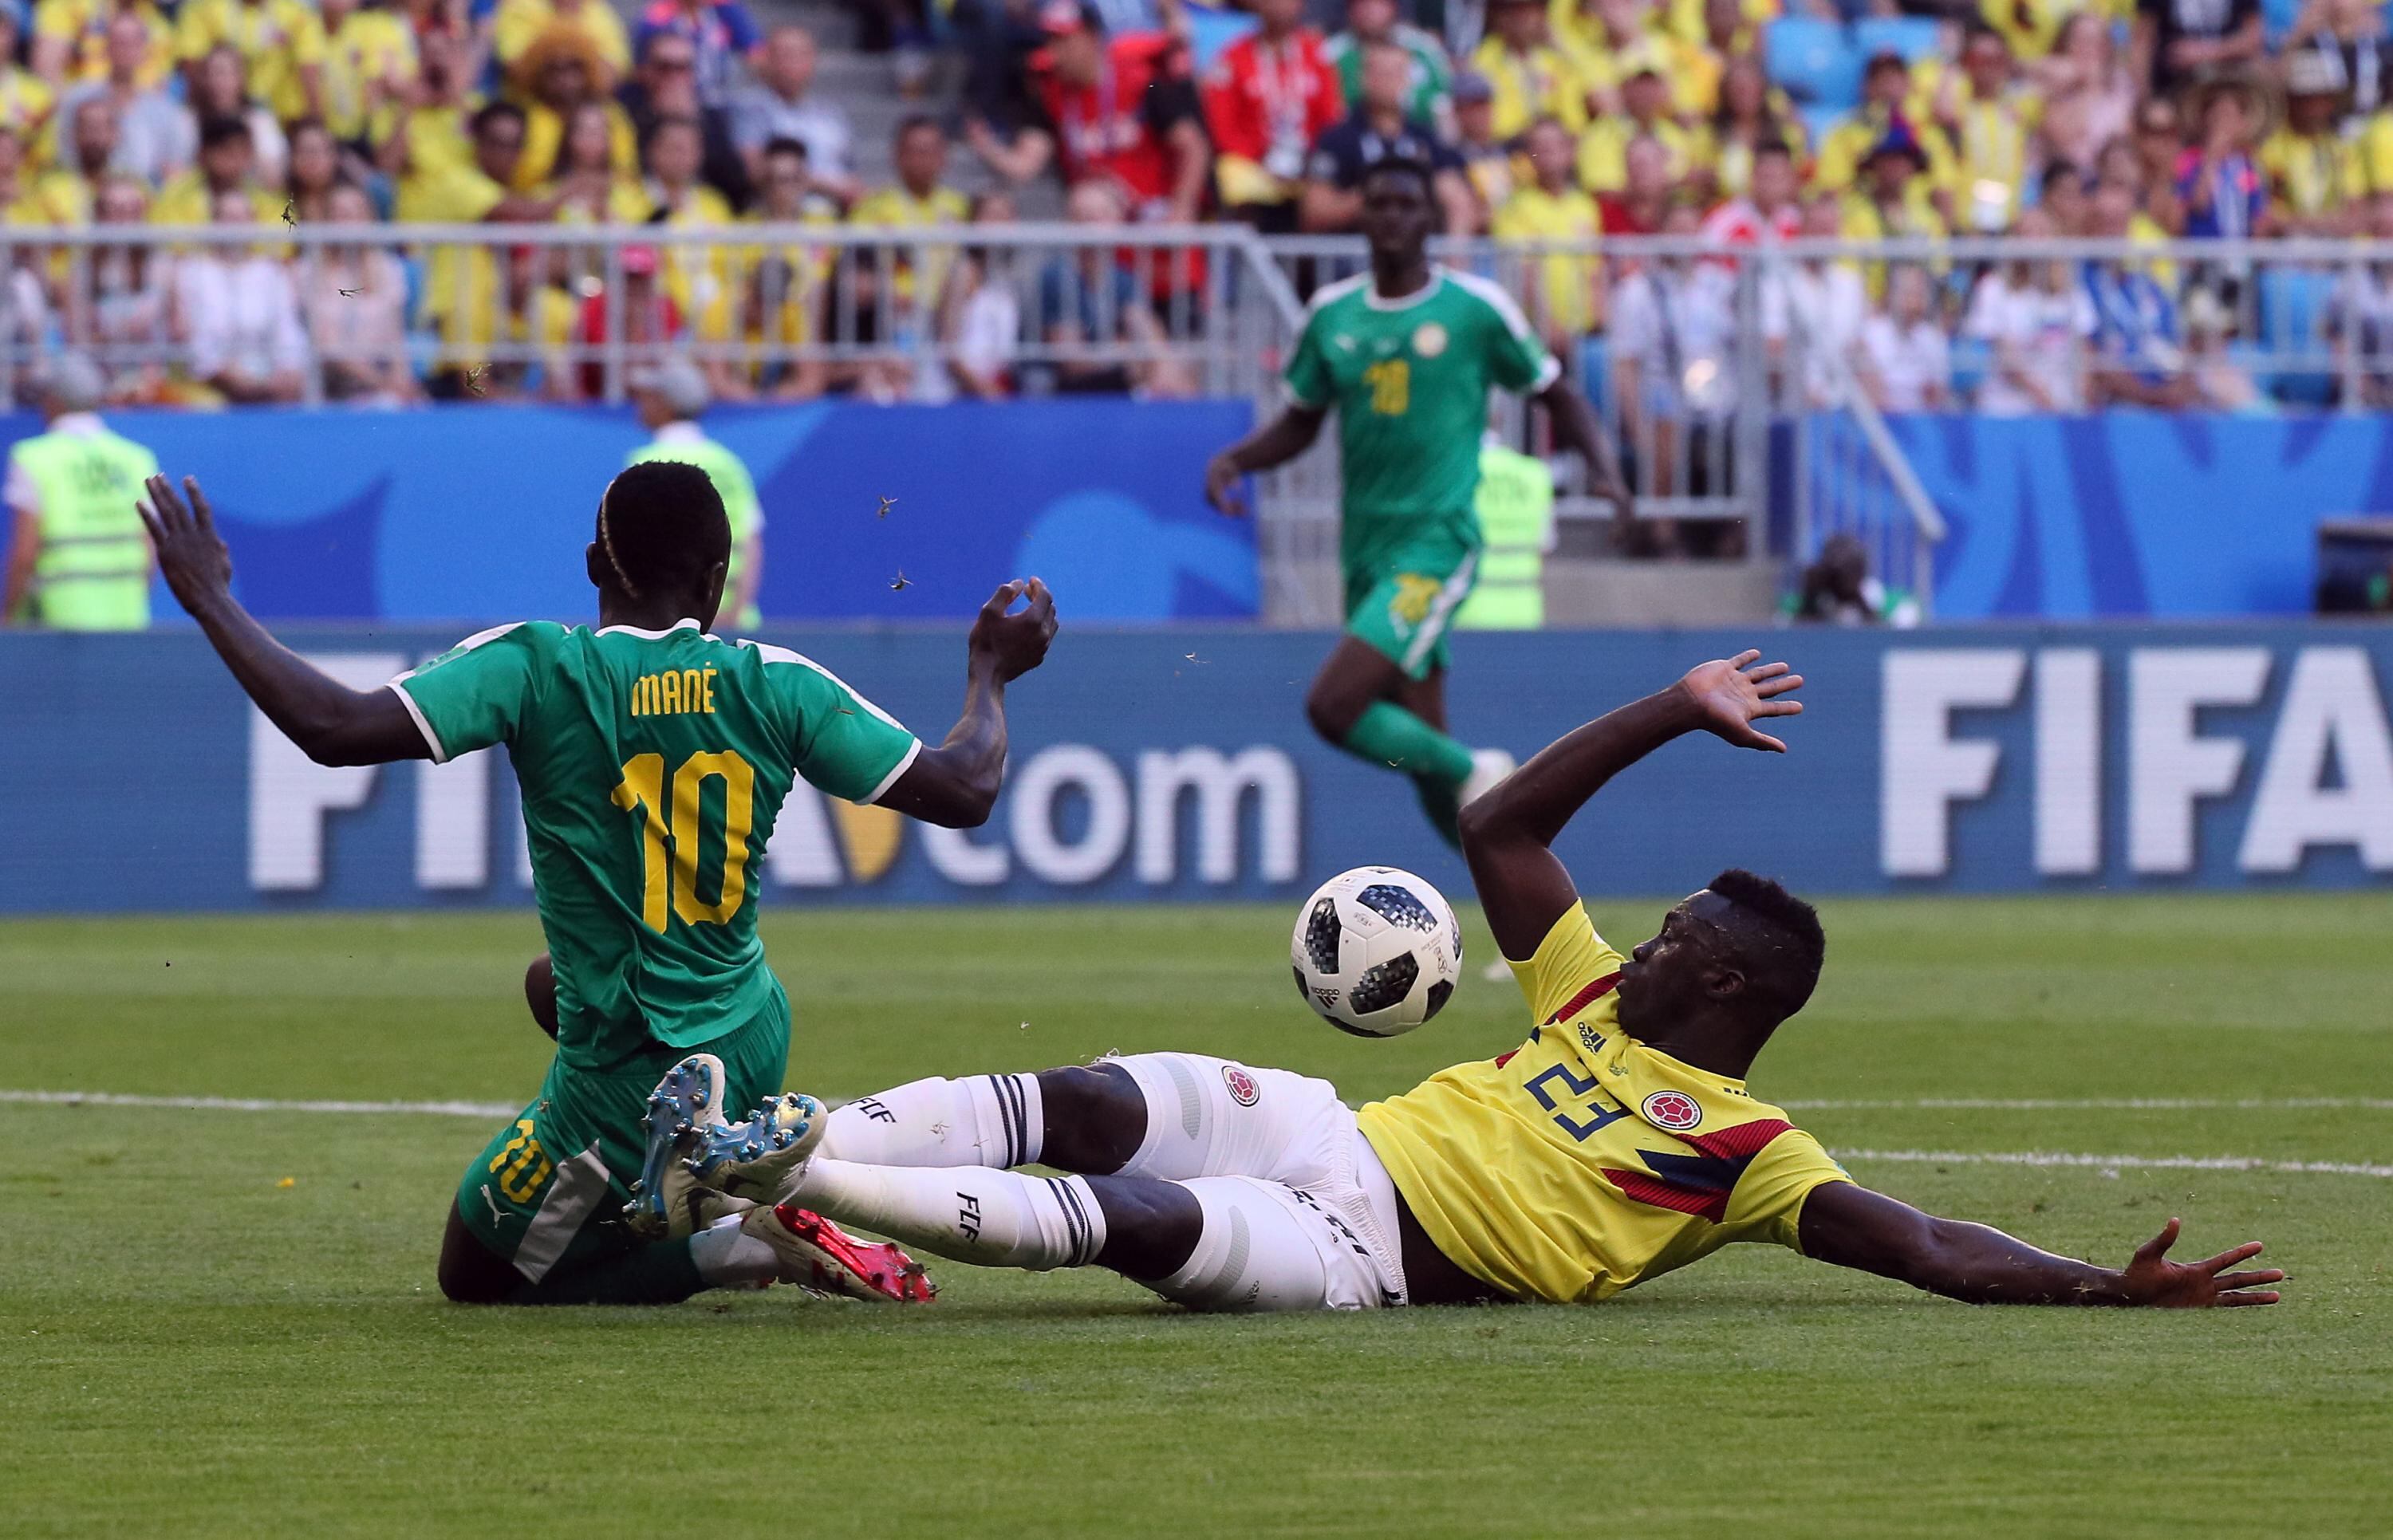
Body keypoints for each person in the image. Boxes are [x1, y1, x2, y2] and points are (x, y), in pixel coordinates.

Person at [641, 652, 2285, 1318]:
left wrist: (2093, 1282)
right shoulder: (1591, 1001)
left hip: (1369, 1253)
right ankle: (788, 1139)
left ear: (1721, 974)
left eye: (1664, 936)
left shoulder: (1748, 1148)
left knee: (1133, 1216)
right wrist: (1670, 703)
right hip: (1328, 1127)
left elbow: (1921, 1241)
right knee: (1096, 1095)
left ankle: (796, 1173)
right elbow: (1501, 818)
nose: (1627, 942)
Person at [134, 460, 1062, 1306]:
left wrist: (212, 598)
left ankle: (745, 1238)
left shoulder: (538, 665)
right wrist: (989, 673)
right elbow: (967, 785)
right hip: (751, 1028)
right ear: (717, 579)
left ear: (592, 563)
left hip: (629, 1074)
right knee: (550, 980)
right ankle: (702, 1161)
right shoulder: (776, 681)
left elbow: (332, 726)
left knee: (478, 1269)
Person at [1204, 157, 1630, 849]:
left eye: (1407, 204)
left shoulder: (1473, 309)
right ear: (1362, 217)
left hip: (1437, 541)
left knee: (1335, 706)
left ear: (1429, 219)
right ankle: (1521, 920)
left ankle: (1481, 768)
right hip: (1365, 548)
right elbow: (1302, 419)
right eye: (1380, 204)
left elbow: (1554, 391)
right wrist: (1237, 459)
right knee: (1423, 755)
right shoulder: (1333, 315)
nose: (1393, 217)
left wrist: (1606, 470)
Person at [2, 353, 158, 631]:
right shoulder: (137, 459)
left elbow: (25, 555)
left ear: (53, 401)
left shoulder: (32, 458)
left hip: (56, 624)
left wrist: (9, 615)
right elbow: (150, 551)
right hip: (127, 619)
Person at [625, 360, 764, 630]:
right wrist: (735, 613)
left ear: (665, 403)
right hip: (735, 621)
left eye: (649, 395)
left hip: (671, 626)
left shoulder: (644, 463)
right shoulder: (729, 463)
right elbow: (751, 542)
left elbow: (636, 549)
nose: (640, 402)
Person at [1300, 37, 1472, 237]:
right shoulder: (1338, 139)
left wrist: (1454, 255)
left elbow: (1459, 201)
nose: (1388, 81)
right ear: (1363, 77)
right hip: (1355, 258)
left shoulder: (1424, 138)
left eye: (1396, 72)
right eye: (1380, 72)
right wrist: (1378, 195)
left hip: (1414, 260)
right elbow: (1314, 212)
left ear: (1408, 78)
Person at [1200, 0, 1343, 232]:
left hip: (1308, 164)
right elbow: (1222, 127)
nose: (1279, 5)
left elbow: (1331, 119)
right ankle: (1249, 256)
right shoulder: (1233, 57)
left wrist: (1308, 160)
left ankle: (1308, 264)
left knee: (1331, 184)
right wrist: (1261, 156)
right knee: (1232, 174)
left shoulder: (1317, 54)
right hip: (1254, 165)